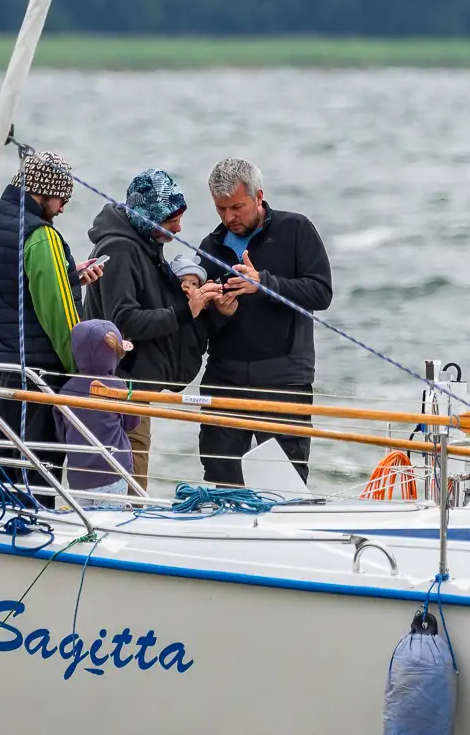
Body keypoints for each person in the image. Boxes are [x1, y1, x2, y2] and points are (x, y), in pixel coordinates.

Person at [0, 150, 103, 494]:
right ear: (44, 192)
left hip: (1, 371)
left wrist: (68, 277)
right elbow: (61, 319)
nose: (63, 208)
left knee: (5, 474)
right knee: (39, 481)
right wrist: (82, 372)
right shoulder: (41, 235)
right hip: (39, 379)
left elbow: (13, 294)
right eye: (62, 199)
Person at [195, 157, 332, 486]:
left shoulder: (296, 229)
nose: (229, 217)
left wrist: (264, 284)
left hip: (283, 380)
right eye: (221, 209)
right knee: (221, 482)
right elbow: (201, 327)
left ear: (259, 196)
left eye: (237, 207)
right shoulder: (210, 247)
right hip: (223, 379)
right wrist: (219, 313)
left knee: (284, 485)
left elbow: (321, 293)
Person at [85, 168, 220, 490]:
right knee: (130, 482)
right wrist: (185, 310)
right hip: (120, 390)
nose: (179, 227)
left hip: (132, 389)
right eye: (172, 219)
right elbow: (124, 321)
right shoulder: (121, 250)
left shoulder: (144, 246)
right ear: (150, 216)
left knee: (134, 474)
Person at [53, 319, 140, 501]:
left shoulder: (67, 389)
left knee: (83, 516)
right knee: (111, 517)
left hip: (79, 476)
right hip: (114, 470)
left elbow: (61, 432)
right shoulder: (117, 387)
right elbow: (132, 423)